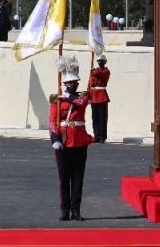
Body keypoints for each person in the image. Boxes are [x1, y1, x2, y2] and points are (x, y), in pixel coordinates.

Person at [49, 55, 94, 222]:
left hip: (80, 142)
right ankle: (64, 210)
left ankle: (76, 210)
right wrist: (55, 139)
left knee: (77, 178)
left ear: (77, 83)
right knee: (63, 179)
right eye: (68, 83)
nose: (70, 85)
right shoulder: (56, 99)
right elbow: (53, 121)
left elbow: (82, 102)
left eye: (73, 83)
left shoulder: (82, 96)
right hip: (63, 141)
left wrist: (68, 97)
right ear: (64, 84)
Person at [89, 54, 111, 143]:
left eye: (102, 61)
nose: (100, 62)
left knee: (103, 118)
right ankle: (96, 135)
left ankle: (103, 137)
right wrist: (88, 94)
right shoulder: (94, 71)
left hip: (102, 95)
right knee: (95, 118)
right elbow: (90, 83)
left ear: (105, 62)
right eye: (99, 61)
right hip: (94, 95)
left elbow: (101, 74)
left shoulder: (106, 71)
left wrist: (92, 71)